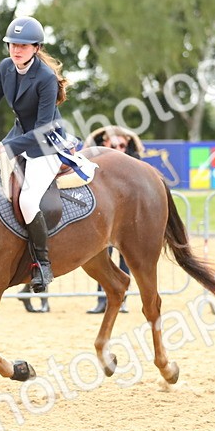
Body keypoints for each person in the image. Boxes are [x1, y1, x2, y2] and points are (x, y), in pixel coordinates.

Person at [0, 16, 95, 292]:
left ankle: (42, 264)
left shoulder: (45, 78)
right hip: (18, 136)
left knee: (27, 200)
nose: (16, 50)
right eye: (12, 44)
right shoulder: (5, 68)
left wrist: (2, 148)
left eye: (23, 45)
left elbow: (43, 129)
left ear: (36, 47)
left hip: (45, 144)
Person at [84, 128, 142, 314]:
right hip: (105, 219)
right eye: (114, 144)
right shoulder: (94, 162)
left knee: (126, 259)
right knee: (102, 258)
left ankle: (122, 299)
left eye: (122, 145)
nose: (119, 148)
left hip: (127, 221)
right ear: (105, 144)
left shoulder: (135, 164)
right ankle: (102, 299)